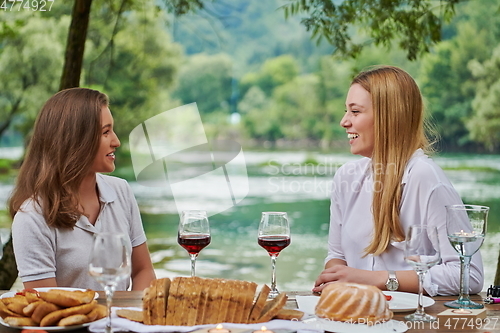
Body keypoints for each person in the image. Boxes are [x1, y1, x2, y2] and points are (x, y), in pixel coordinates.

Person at [313, 65, 483, 296]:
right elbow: (337, 256)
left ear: (388, 118)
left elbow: (469, 275)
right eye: (346, 111)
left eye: (355, 112)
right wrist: (337, 279)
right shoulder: (346, 176)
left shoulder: (425, 177)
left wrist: (377, 280)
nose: (344, 122)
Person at [9, 88, 156, 291]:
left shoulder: (121, 190)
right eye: (106, 132)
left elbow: (143, 271)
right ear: (76, 140)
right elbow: (44, 309)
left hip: (121, 322)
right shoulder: (32, 218)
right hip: (71, 324)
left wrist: (130, 316)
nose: (116, 141)